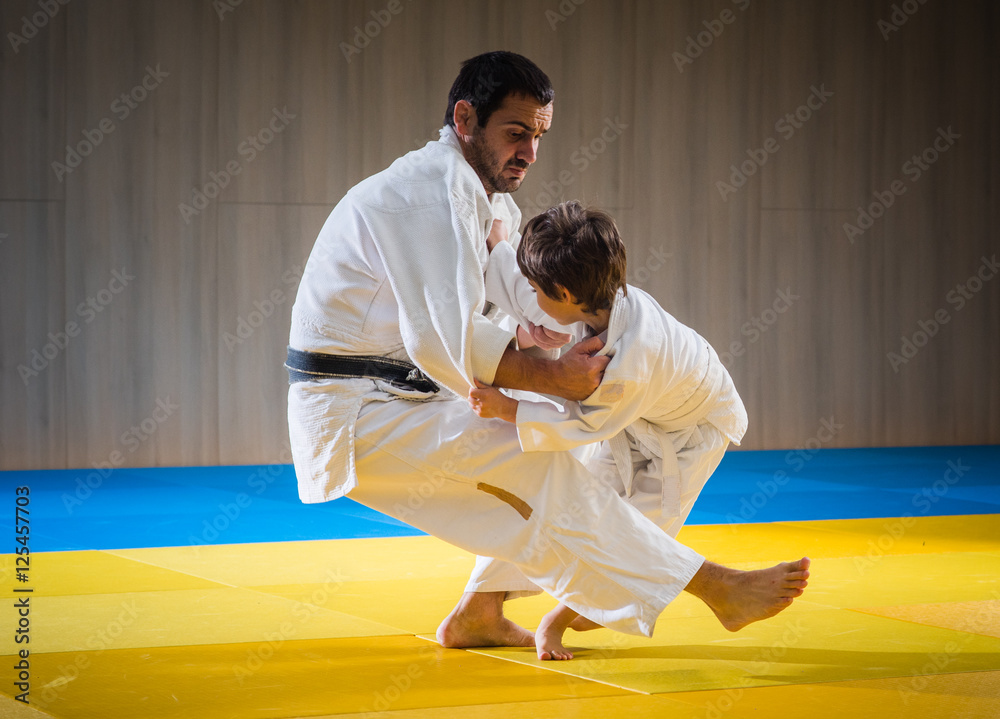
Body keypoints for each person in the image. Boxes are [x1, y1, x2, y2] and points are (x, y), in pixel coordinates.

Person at [286, 50, 810, 653]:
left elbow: (518, 289)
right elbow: (438, 340)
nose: (530, 152)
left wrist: (561, 335)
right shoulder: (427, 193)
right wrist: (554, 377)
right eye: (515, 133)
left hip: (401, 394)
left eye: (538, 135)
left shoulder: (480, 197)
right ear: (464, 118)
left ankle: (479, 615)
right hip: (359, 411)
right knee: (548, 474)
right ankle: (716, 588)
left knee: (541, 481)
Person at [468, 201, 804, 659]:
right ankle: (492, 610)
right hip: (635, 424)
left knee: (635, 532)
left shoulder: (630, 361)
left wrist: (509, 409)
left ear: (564, 293)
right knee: (563, 500)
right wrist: (497, 237)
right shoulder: (596, 297)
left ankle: (561, 618)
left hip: (692, 432)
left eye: (536, 290)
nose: (530, 297)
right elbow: (521, 284)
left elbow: (585, 424)